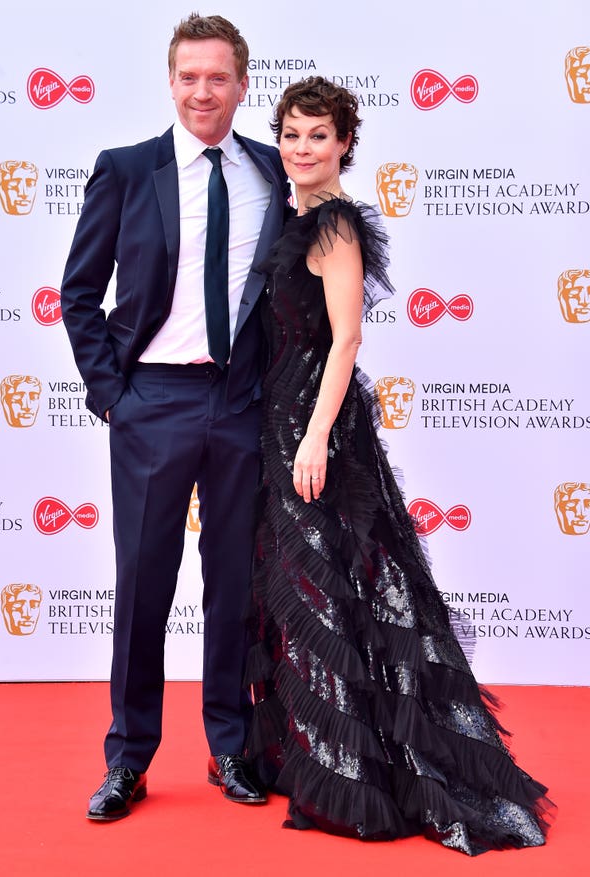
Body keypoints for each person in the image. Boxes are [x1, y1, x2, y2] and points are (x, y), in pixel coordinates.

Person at [245, 76, 553, 855]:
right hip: (279, 424)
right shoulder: (294, 216)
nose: (300, 148)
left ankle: (366, 773)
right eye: (290, 133)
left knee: (338, 586)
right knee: (311, 590)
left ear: (345, 142)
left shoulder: (336, 225)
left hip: (317, 431)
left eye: (317, 135)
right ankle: (322, 755)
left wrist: (315, 436)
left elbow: (346, 340)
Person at [60, 13, 290, 821]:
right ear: (170, 79)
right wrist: (113, 398)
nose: (203, 90)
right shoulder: (126, 170)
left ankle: (231, 746)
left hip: (240, 405)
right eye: (189, 75)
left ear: (241, 83)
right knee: (143, 588)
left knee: (233, 586)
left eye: (218, 77)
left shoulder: (272, 171)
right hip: (151, 402)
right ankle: (128, 758)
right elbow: (78, 294)